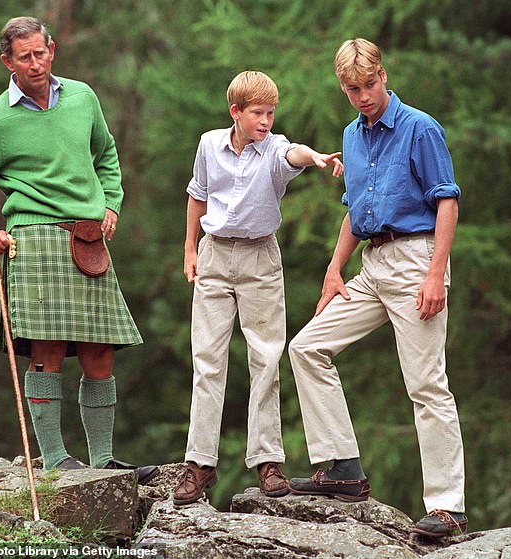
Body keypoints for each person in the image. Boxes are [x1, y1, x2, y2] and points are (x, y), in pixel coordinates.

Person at [0, 16, 157, 483]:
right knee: (47, 350)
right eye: (24, 56)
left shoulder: (83, 98)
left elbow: (106, 155)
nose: (35, 63)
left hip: (88, 235)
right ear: (8, 61)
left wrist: (111, 205)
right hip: (35, 237)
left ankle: (103, 460)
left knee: (100, 352)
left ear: (52, 48)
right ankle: (54, 458)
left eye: (40, 52)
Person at [287, 38, 466, 538]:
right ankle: (341, 468)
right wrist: (333, 269)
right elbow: (354, 209)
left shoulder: (420, 128)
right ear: (342, 88)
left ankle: (448, 506)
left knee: (426, 383)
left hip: (416, 259)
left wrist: (436, 272)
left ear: (383, 75)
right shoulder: (352, 134)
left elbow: (447, 201)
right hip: (373, 263)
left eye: (369, 85)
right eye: (352, 89)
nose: (363, 96)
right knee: (307, 347)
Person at [173, 70, 343, 505]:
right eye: (257, 114)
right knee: (207, 359)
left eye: (271, 113)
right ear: (236, 113)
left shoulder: (274, 149)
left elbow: (294, 154)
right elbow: (198, 195)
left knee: (266, 357)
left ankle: (267, 461)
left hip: (260, 258)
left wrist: (318, 158)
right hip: (214, 254)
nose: (266, 121)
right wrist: (191, 249)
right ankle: (199, 463)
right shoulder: (210, 144)